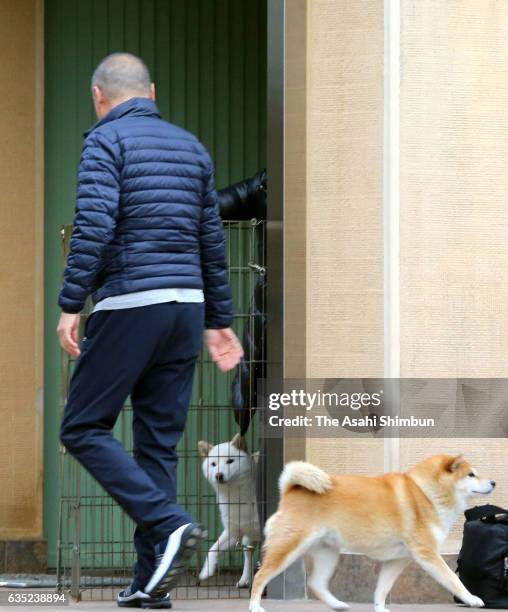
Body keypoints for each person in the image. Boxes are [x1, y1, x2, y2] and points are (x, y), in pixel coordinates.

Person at [57, 52, 243, 609]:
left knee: (82, 426)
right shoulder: (192, 148)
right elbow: (212, 241)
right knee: (158, 447)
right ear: (152, 91)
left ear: (99, 96)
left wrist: (71, 304)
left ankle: (167, 523)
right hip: (186, 307)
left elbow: (94, 222)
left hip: (132, 302)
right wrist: (218, 321)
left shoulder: (105, 142)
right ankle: (148, 583)